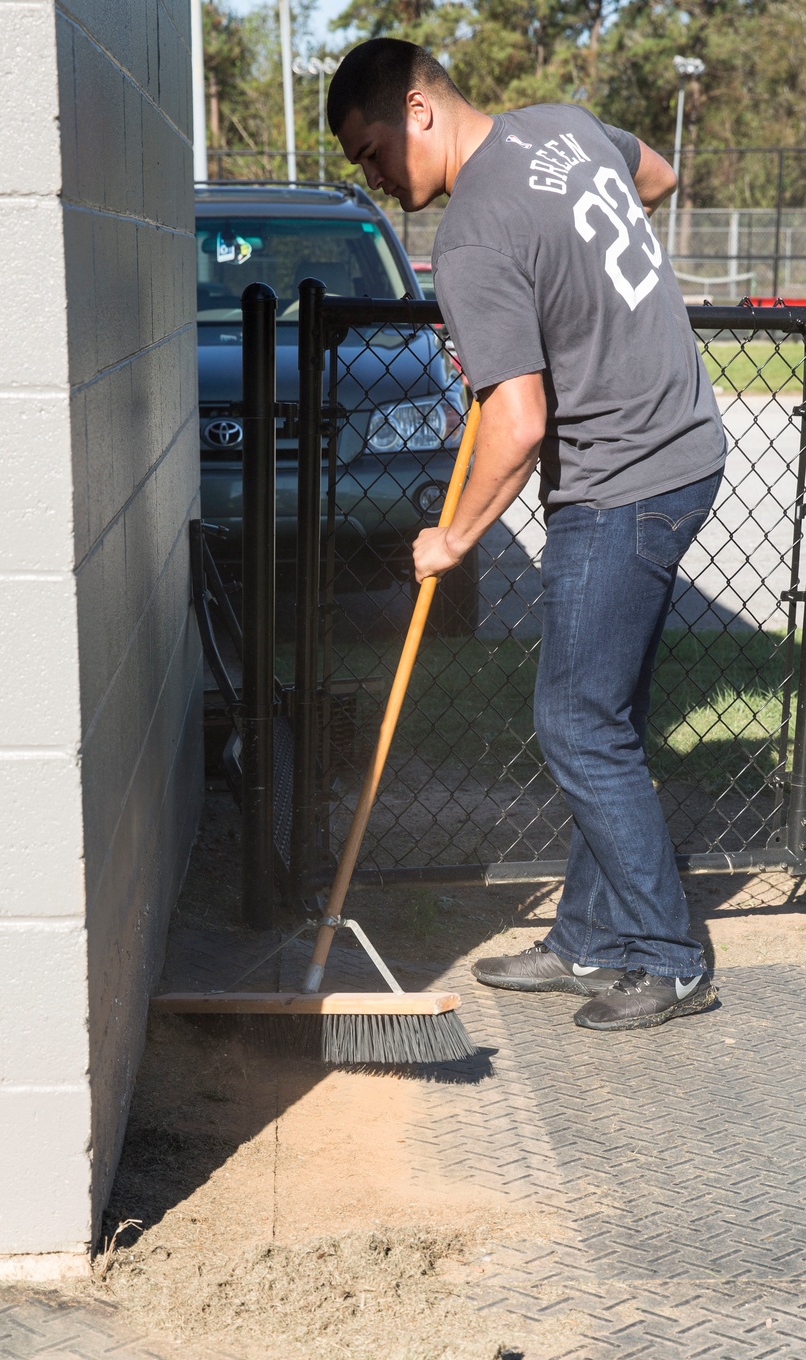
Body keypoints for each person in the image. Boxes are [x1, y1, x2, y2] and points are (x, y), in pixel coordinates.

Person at [326, 39, 727, 1033]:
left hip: (623, 479)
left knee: (575, 724)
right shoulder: (559, 126)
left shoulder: (471, 235)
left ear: (417, 110)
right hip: (687, 446)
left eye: (371, 149)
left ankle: (669, 959)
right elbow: (657, 173)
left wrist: (449, 539)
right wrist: (581, 287)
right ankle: (592, 939)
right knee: (606, 713)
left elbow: (515, 423)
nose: (372, 177)